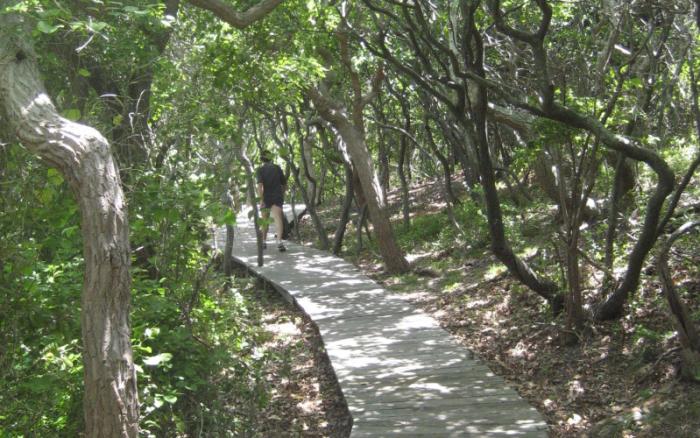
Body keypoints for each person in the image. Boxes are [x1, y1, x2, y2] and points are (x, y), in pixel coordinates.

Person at [256, 150, 288, 252]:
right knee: (278, 219)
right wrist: (281, 194)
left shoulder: (260, 170)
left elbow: (260, 186)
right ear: (270, 158)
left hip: (266, 197)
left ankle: (263, 242)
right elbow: (284, 184)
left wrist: (261, 200)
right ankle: (279, 242)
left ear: (262, 159)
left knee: (265, 221)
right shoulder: (277, 168)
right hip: (277, 197)